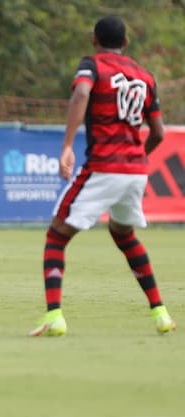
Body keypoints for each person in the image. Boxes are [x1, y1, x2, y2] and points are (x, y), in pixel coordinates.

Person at [29, 16, 176, 337]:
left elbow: (81, 94)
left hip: (104, 166)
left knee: (57, 235)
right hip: (136, 171)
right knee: (124, 235)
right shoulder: (145, 76)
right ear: (125, 43)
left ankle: (54, 315)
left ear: (95, 40)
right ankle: (161, 313)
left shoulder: (92, 66)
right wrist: (137, 156)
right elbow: (159, 133)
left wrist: (67, 145)